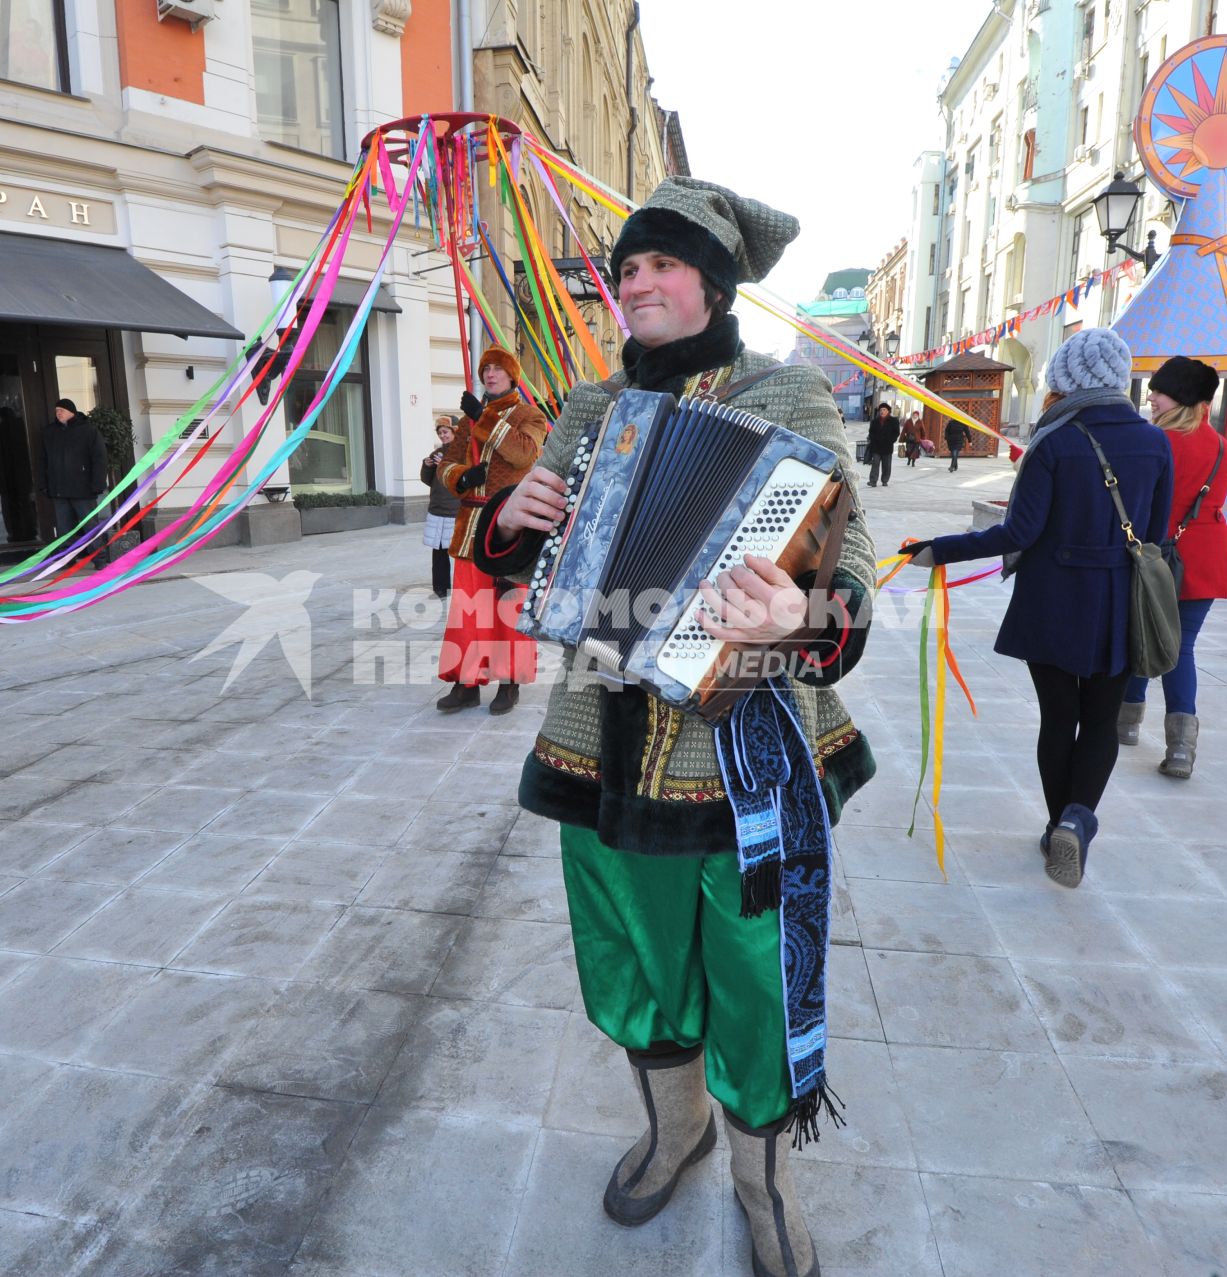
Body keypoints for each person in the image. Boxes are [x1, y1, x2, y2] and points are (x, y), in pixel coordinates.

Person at [476, 176, 879, 1277]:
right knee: (634, 953)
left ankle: (764, 1179)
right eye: (627, 268)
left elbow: (849, 548)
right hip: (594, 732)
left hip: (740, 744)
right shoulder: (586, 409)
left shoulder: (789, 396)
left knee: (752, 966)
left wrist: (808, 606)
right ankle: (678, 1127)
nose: (636, 283)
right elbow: (529, 554)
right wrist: (503, 520)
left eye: (658, 265)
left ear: (711, 280)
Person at [903, 328, 1171, 889]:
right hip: (1123, 602)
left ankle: (1056, 827)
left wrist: (939, 550)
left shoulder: (1055, 441)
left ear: (1065, 379)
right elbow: (1156, 535)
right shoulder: (1155, 443)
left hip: (1054, 600)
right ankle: (1078, 820)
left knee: (1058, 717)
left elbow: (1017, 531)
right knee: (1101, 720)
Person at [1116, 357, 1227, 779]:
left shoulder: (1153, 441)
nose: (1151, 397)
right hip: (1206, 559)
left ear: (1179, 397)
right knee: (1181, 649)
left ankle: (1126, 724)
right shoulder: (1222, 445)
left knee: (1139, 635)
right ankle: (1181, 748)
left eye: (1158, 391)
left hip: (1156, 556)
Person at [434, 346, 548, 714]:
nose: (490, 374)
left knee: (507, 610)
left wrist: (484, 417)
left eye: (498, 369)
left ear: (513, 376)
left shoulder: (530, 415)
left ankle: (508, 683)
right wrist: (461, 477)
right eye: (486, 369)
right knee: (468, 611)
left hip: (509, 528)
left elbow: (523, 454)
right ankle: (466, 684)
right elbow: (446, 465)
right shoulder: (467, 421)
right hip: (469, 528)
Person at [40, 397, 107, 537]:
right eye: (56, 411)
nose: (58, 413)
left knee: (90, 526)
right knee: (64, 529)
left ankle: (99, 558)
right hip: (59, 490)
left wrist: (98, 484)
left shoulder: (88, 431)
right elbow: (43, 460)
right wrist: (44, 484)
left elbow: (99, 458)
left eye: (62, 410)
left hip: (83, 489)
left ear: (72, 412)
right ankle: (68, 558)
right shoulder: (50, 432)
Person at [420, 415, 459, 598]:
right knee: (439, 553)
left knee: (459, 553)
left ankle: (462, 587)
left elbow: (460, 479)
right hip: (437, 509)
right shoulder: (436, 453)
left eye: (445, 432)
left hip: (455, 510)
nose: (442, 436)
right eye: (440, 433)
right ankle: (440, 588)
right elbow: (428, 480)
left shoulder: (462, 452)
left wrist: (443, 465)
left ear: (454, 431)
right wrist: (427, 466)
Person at [0, 404, 38, 542]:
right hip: (23, 477)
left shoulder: (0, 434)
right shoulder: (23, 431)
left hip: (6, 479)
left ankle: (15, 533)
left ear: (1, 418)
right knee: (26, 505)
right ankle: (29, 531)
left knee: (10, 508)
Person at [865, 402, 900, 488]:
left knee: (886, 465)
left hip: (887, 447)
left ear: (888, 411)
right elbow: (871, 432)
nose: (882, 411)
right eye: (881, 410)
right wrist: (873, 439)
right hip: (876, 446)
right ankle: (873, 481)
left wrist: (891, 440)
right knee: (875, 464)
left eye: (884, 410)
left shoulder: (894, 421)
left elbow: (896, 432)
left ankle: (885, 480)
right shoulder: (875, 421)